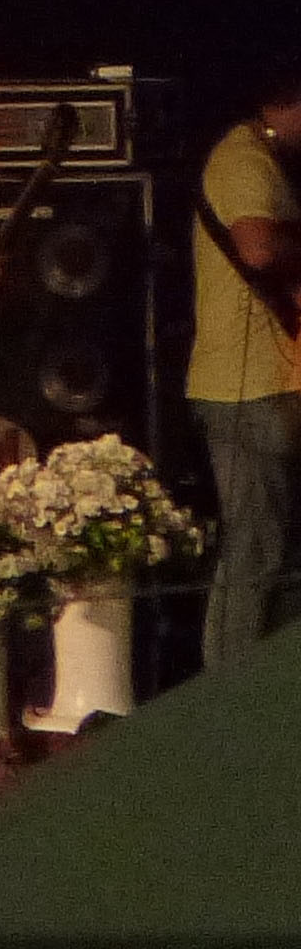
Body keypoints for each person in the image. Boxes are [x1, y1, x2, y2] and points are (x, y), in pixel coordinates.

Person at [187, 77, 301, 664]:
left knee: (282, 555)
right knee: (256, 550)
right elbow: (257, 249)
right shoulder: (243, 159)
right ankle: (224, 702)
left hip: (272, 385)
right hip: (245, 388)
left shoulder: (266, 161)